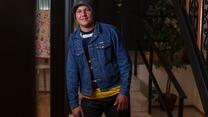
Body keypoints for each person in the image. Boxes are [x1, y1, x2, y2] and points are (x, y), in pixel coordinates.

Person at [66, 0, 132, 116]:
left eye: (87, 10)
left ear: (93, 12)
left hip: (116, 96)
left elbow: (125, 63)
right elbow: (72, 72)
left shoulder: (111, 31)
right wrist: (74, 104)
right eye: (79, 11)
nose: (83, 14)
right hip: (89, 99)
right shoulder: (73, 40)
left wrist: (124, 92)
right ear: (75, 16)